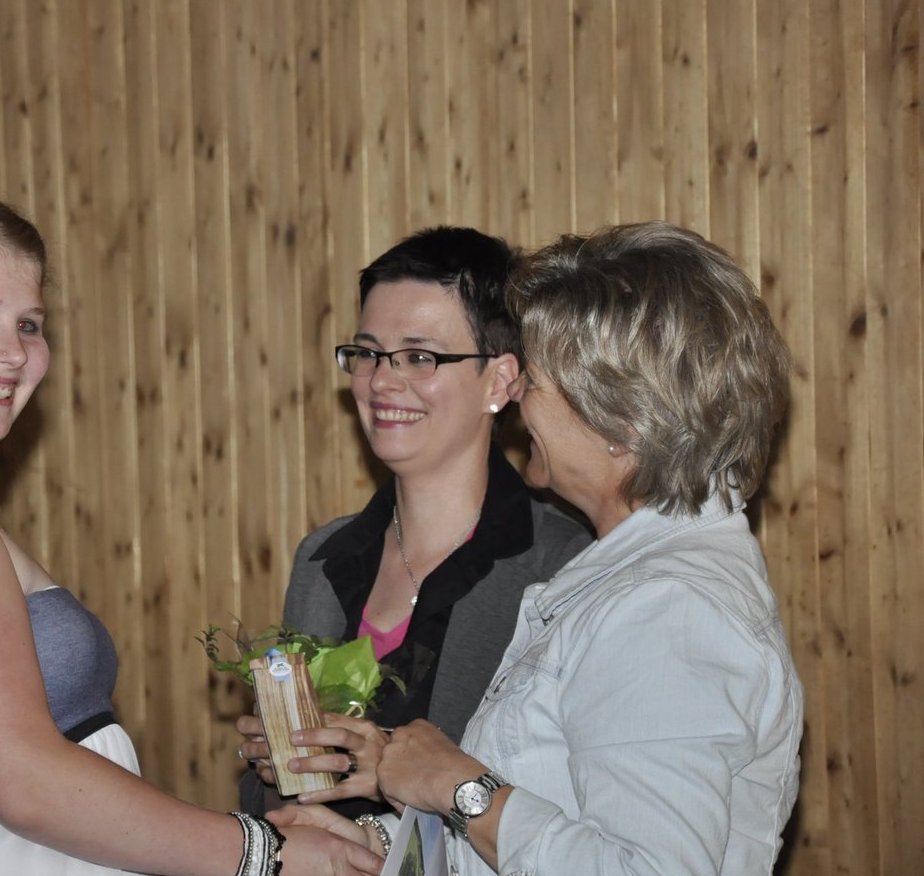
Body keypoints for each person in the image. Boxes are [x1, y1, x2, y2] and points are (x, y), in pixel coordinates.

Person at [0, 187, 382, 876]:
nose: (11, 353)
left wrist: (244, 837)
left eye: (28, 324)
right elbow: (24, 781)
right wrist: (263, 854)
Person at [339, 220, 802, 873]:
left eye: (538, 378)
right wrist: (370, 848)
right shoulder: (634, 579)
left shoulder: (667, 608)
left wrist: (460, 786)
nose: (519, 396)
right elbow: (560, 819)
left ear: (622, 423)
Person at [238, 228, 591, 828]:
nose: (380, 381)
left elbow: (571, 815)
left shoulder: (565, 569)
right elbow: (282, 805)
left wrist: (403, 778)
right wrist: (276, 771)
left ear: (501, 380)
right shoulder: (323, 557)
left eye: (420, 356)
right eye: (368, 352)